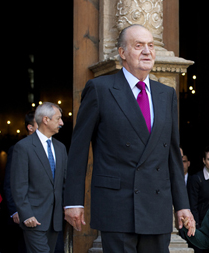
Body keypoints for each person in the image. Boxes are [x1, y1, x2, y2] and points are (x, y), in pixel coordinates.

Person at [64, 24, 195, 252]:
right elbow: (79, 149)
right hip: (117, 205)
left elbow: (173, 154)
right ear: (122, 53)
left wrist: (182, 205)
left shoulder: (166, 94)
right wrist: (74, 201)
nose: (147, 51)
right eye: (138, 46)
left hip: (156, 205)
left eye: (151, 45)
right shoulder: (100, 89)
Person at [11, 102, 67, 253]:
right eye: (58, 119)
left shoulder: (61, 148)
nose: (62, 123)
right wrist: (26, 214)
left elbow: (63, 182)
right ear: (46, 120)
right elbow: (18, 185)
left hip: (55, 220)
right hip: (33, 219)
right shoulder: (23, 147)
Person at [3, 111, 37, 253]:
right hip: (22, 213)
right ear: (30, 127)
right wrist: (14, 210)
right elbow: (9, 182)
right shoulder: (17, 148)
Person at [187, 145, 209, 253]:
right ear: (204, 160)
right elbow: (193, 206)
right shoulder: (197, 179)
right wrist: (197, 228)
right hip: (202, 227)